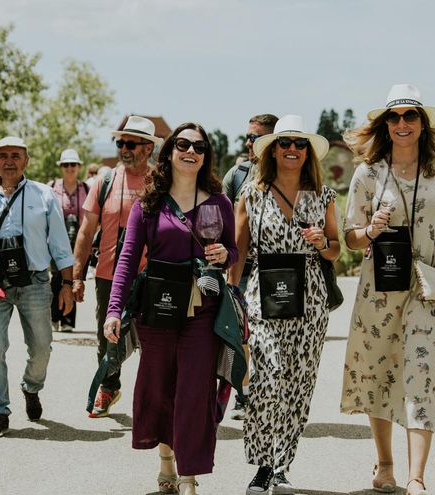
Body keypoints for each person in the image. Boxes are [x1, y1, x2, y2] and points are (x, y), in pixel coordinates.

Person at [340, 84, 435, 495]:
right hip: (379, 289)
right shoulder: (368, 172)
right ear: (384, 125)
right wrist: (370, 229)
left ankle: (417, 478)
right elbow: (351, 238)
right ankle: (385, 464)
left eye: (410, 116)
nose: (402, 123)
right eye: (394, 117)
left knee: (421, 373)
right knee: (378, 370)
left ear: (423, 124)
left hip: (429, 288)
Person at [104, 122, 238, 495]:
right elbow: (128, 259)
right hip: (159, 309)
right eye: (183, 144)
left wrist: (226, 254)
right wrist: (114, 309)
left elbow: (234, 251)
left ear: (205, 155)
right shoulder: (148, 204)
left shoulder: (218, 202)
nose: (191, 151)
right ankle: (166, 462)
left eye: (199, 146)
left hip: (203, 309)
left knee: (195, 393)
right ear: (170, 152)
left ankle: (189, 477)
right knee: (159, 389)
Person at [227, 115, 339, 494]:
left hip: (310, 298)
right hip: (265, 293)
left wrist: (322, 242)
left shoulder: (323, 196)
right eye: (285, 142)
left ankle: (281, 466)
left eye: (300, 143)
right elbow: (239, 251)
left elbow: (336, 251)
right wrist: (232, 296)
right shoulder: (252, 194)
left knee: (299, 384)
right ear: (272, 150)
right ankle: (261, 463)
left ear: (309, 152)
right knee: (266, 380)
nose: (293, 149)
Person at [0, 136, 75, 439]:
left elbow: (60, 244)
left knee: (42, 347)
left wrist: (68, 284)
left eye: (16, 155)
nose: (10, 160)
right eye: (3, 155)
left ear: (27, 160)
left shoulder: (44, 195)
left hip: (34, 281)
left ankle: (31, 387)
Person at [71, 115, 161, 418]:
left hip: (151, 277)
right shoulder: (105, 181)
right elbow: (86, 230)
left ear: (147, 148)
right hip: (110, 275)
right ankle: (109, 387)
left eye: (130, 143)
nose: (123, 148)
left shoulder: (160, 181)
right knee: (106, 338)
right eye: (120, 142)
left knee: (153, 340)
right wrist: (77, 276)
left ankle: (151, 399)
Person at [220, 113, 278, 421]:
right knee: (242, 334)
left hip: (276, 270)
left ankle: (267, 391)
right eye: (248, 136)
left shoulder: (288, 171)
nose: (248, 142)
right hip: (242, 268)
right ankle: (244, 395)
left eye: (254, 137)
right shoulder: (237, 174)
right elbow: (222, 220)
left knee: (269, 336)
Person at [48, 149, 89, 332]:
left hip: (78, 241)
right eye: (66, 165)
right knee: (57, 278)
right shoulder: (51, 187)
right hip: (55, 240)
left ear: (79, 167)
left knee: (73, 278)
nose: (70, 168)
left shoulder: (86, 189)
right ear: (60, 167)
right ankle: (54, 316)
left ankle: (68, 321)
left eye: (73, 164)